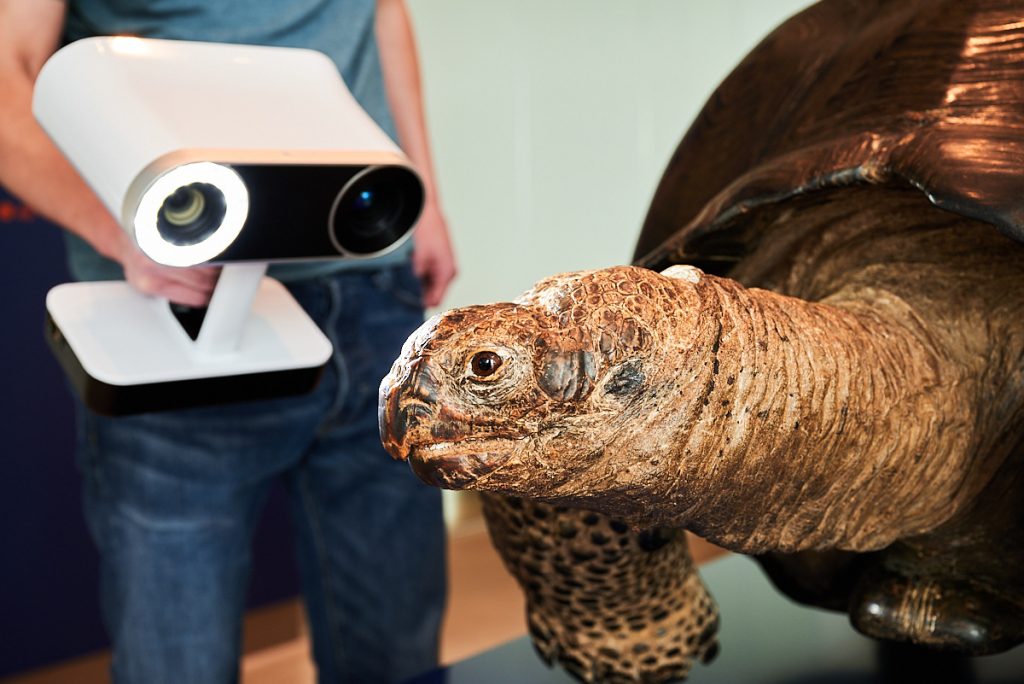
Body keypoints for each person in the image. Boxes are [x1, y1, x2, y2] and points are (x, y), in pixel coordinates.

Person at [0, 0, 456, 682]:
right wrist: (120, 225)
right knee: (178, 662)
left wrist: (423, 196)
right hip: (174, 305)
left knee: (399, 652)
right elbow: (8, 66)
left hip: (372, 284)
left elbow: (381, 10)